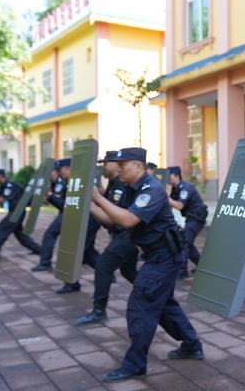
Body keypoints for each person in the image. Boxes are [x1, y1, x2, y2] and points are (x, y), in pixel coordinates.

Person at [91, 147, 203, 383]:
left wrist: (99, 198)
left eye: (123, 164)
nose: (118, 168)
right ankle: (192, 345)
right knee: (164, 305)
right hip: (157, 256)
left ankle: (134, 364)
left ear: (139, 166)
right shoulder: (132, 189)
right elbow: (113, 220)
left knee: (140, 306)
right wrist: (90, 204)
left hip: (164, 256)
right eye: (117, 164)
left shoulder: (150, 189)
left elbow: (128, 220)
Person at [76, 151, 139, 326]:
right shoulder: (113, 183)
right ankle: (155, 293)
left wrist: (92, 202)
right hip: (123, 235)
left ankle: (99, 311)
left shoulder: (120, 184)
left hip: (127, 236)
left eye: (106, 163)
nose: (103, 167)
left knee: (103, 266)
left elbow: (112, 216)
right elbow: (107, 215)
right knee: (129, 271)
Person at [30, 159, 101, 294]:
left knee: (76, 249)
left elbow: (67, 205)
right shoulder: (70, 182)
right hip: (80, 218)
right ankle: (104, 272)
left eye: (60, 170)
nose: (58, 173)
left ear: (68, 169)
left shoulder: (78, 182)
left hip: (89, 219)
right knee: (85, 250)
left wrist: (51, 196)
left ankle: (73, 282)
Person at [0, 169, 41, 261]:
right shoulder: (4, 186)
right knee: (20, 234)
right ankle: (38, 249)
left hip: (16, 213)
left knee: (0, 230)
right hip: (16, 212)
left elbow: (0, 200)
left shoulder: (9, 186)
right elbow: (0, 202)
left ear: (0, 176)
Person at [167, 165, 208, 279]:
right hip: (190, 218)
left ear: (176, 176)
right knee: (187, 242)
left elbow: (179, 205)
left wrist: (165, 196)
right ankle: (201, 266)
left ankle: (182, 270)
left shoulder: (186, 187)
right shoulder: (175, 188)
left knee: (184, 242)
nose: (167, 179)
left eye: (169, 176)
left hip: (197, 218)